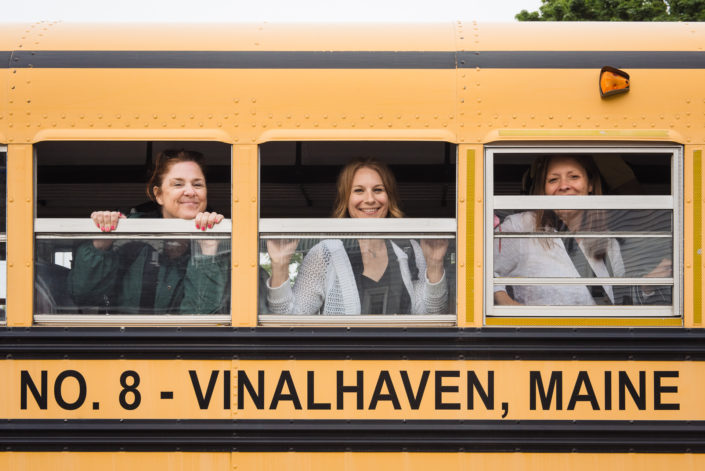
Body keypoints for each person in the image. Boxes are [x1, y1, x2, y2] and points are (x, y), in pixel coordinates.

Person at [265, 157, 449, 315]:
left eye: (378, 190)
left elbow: (432, 313)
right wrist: (279, 265)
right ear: (346, 199)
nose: (370, 199)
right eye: (359, 190)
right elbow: (290, 317)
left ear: (389, 197)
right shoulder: (325, 253)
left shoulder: (410, 250)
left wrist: (434, 263)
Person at [494, 155, 671, 306]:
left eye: (574, 177)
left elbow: (615, 303)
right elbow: (481, 271)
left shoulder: (608, 243)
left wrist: (646, 285)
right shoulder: (521, 227)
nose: (564, 185)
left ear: (590, 185)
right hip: (540, 341)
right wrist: (508, 305)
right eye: (553, 179)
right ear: (544, 190)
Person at [67, 149, 230, 314]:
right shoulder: (128, 234)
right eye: (178, 184)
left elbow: (203, 318)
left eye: (197, 184)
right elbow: (83, 297)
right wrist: (101, 245)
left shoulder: (222, 239)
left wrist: (208, 252)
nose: (190, 191)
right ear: (158, 195)